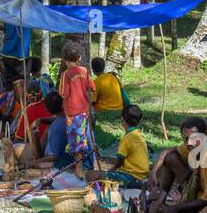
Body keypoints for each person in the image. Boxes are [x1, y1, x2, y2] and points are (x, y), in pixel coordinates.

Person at [145, 116, 207, 213]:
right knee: (170, 157)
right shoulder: (191, 146)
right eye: (186, 139)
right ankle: (161, 198)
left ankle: (176, 205)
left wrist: (175, 208)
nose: (189, 143)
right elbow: (166, 152)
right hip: (196, 190)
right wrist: (153, 172)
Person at [88, 104, 151, 188]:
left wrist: (109, 172)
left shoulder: (127, 138)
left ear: (122, 120)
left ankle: (133, 185)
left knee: (91, 175)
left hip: (131, 177)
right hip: (141, 175)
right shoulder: (138, 135)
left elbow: (119, 162)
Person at [57, 43, 96, 178]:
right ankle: (84, 166)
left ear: (64, 59)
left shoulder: (66, 75)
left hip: (73, 113)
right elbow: (93, 87)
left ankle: (78, 169)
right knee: (82, 139)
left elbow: (63, 93)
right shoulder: (84, 71)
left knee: (77, 142)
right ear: (79, 58)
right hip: (84, 111)